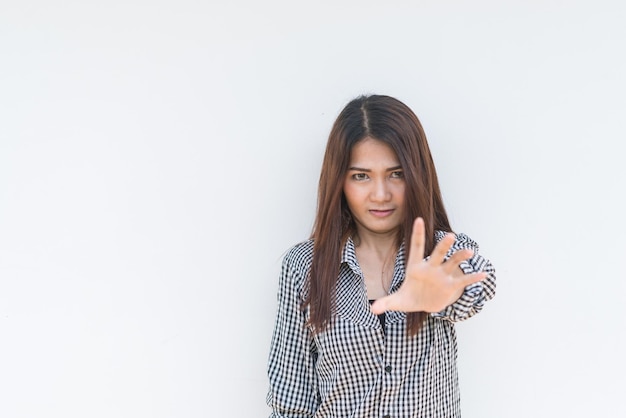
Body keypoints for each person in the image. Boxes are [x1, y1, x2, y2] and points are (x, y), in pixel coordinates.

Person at [266, 94, 496, 418]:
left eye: (396, 174)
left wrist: (444, 294)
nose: (380, 194)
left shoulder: (440, 252)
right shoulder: (304, 267)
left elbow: (479, 285)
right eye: (361, 176)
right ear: (340, 181)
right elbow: (291, 398)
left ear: (417, 175)